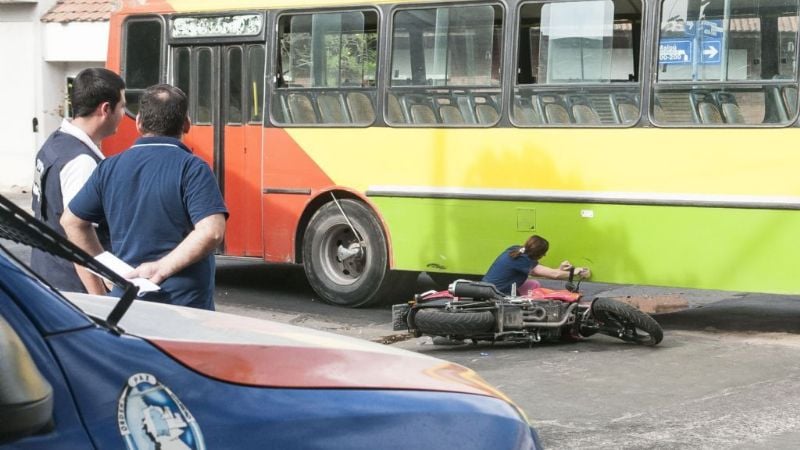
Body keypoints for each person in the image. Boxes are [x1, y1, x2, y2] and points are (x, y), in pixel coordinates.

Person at [61, 84, 228, 310]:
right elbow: (212, 231)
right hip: (185, 306)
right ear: (186, 123)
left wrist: (105, 269)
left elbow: (71, 222)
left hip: (128, 304)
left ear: (138, 122)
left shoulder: (108, 168)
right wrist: (161, 268)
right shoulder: (192, 168)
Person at [31, 68, 126, 292]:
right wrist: (99, 297)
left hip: (47, 273)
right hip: (74, 288)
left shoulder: (53, 143)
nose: (124, 113)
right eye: (122, 106)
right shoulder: (81, 162)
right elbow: (79, 234)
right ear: (105, 109)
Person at [482, 235, 591, 296]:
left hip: (487, 287)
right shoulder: (522, 259)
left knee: (533, 284)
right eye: (544, 253)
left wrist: (559, 269)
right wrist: (575, 271)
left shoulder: (516, 250)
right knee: (535, 291)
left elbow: (536, 271)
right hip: (495, 293)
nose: (545, 255)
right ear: (538, 253)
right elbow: (554, 275)